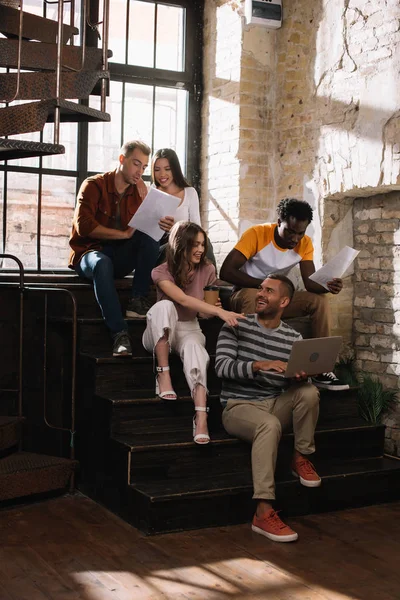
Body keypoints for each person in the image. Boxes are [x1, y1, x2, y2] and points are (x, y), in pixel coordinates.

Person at [215, 273, 321, 543]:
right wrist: (258, 365)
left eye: (269, 291)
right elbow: (221, 367)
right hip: (239, 405)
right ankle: (263, 511)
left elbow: (296, 378)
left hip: (274, 402)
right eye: (260, 289)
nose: (260, 294)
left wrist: (300, 376)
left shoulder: (292, 337)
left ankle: (300, 457)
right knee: (268, 425)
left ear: (284, 301)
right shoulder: (235, 324)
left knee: (308, 391)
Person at [219, 197, 348, 391]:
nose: (295, 238)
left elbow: (310, 284)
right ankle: (251, 366)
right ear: (279, 222)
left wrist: (327, 286)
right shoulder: (257, 234)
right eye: (290, 231)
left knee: (318, 301)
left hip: (277, 298)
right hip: (244, 293)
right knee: (253, 295)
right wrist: (265, 287)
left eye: (300, 233)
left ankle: (321, 369)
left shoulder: (304, 244)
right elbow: (226, 272)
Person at [68, 140, 175, 357]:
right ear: (121, 160)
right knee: (101, 262)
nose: (140, 171)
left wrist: (164, 228)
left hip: (118, 258)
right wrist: (124, 234)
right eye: (136, 164)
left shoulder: (140, 192)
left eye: (145, 167)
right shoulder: (93, 185)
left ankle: (137, 300)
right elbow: (85, 226)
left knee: (150, 239)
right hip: (89, 254)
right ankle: (119, 334)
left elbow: (145, 235)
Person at [142, 221, 244, 444]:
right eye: (194, 244)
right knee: (165, 306)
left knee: (197, 351)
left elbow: (202, 312)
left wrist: (213, 310)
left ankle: (201, 417)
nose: (200, 249)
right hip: (160, 331)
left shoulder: (207, 269)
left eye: (202, 244)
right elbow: (181, 299)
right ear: (181, 245)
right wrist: (222, 313)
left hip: (189, 328)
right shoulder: (160, 271)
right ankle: (163, 373)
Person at [152, 148, 216, 266]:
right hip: (161, 248)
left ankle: (210, 280)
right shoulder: (151, 191)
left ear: (175, 170)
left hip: (186, 244)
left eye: (167, 169)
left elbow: (197, 229)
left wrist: (176, 229)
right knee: (173, 247)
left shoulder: (189, 192)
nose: (162, 174)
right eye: (157, 170)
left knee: (204, 241)